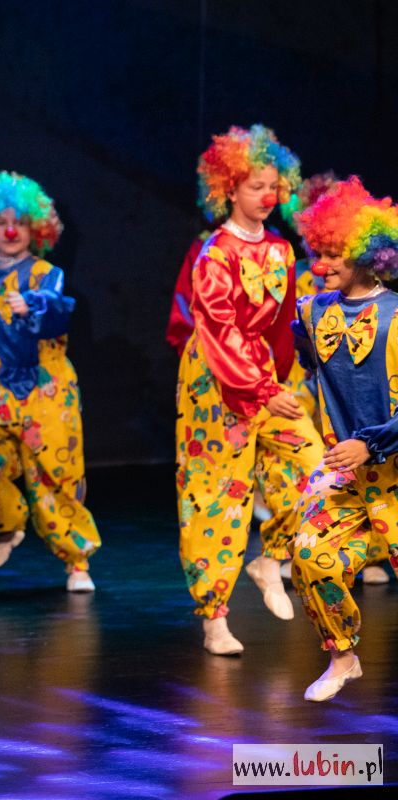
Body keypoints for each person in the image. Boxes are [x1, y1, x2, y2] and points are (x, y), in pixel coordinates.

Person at [176, 125, 321, 655]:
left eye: (273, 187)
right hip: (215, 382)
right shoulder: (214, 253)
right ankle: (214, 617)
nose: (267, 196)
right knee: (216, 495)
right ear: (229, 189)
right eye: (256, 186)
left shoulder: (280, 250)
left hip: (264, 376)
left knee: (316, 467)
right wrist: (260, 388)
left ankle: (271, 559)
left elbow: (281, 325)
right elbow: (218, 328)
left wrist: (282, 379)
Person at [0, 171, 100, 591]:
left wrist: (32, 305)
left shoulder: (44, 272)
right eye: (1, 223)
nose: (10, 231)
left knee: (54, 472)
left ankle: (77, 561)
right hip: (2, 380)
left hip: (47, 383)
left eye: (19, 223)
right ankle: (8, 524)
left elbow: (57, 307)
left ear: (35, 229)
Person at [289, 176, 398, 700]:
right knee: (310, 552)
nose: (322, 264)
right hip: (347, 472)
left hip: (393, 465)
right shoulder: (310, 313)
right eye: (318, 253)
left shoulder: (396, 315)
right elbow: (310, 363)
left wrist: (373, 442)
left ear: (367, 254)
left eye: (334, 254)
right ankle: (343, 655)